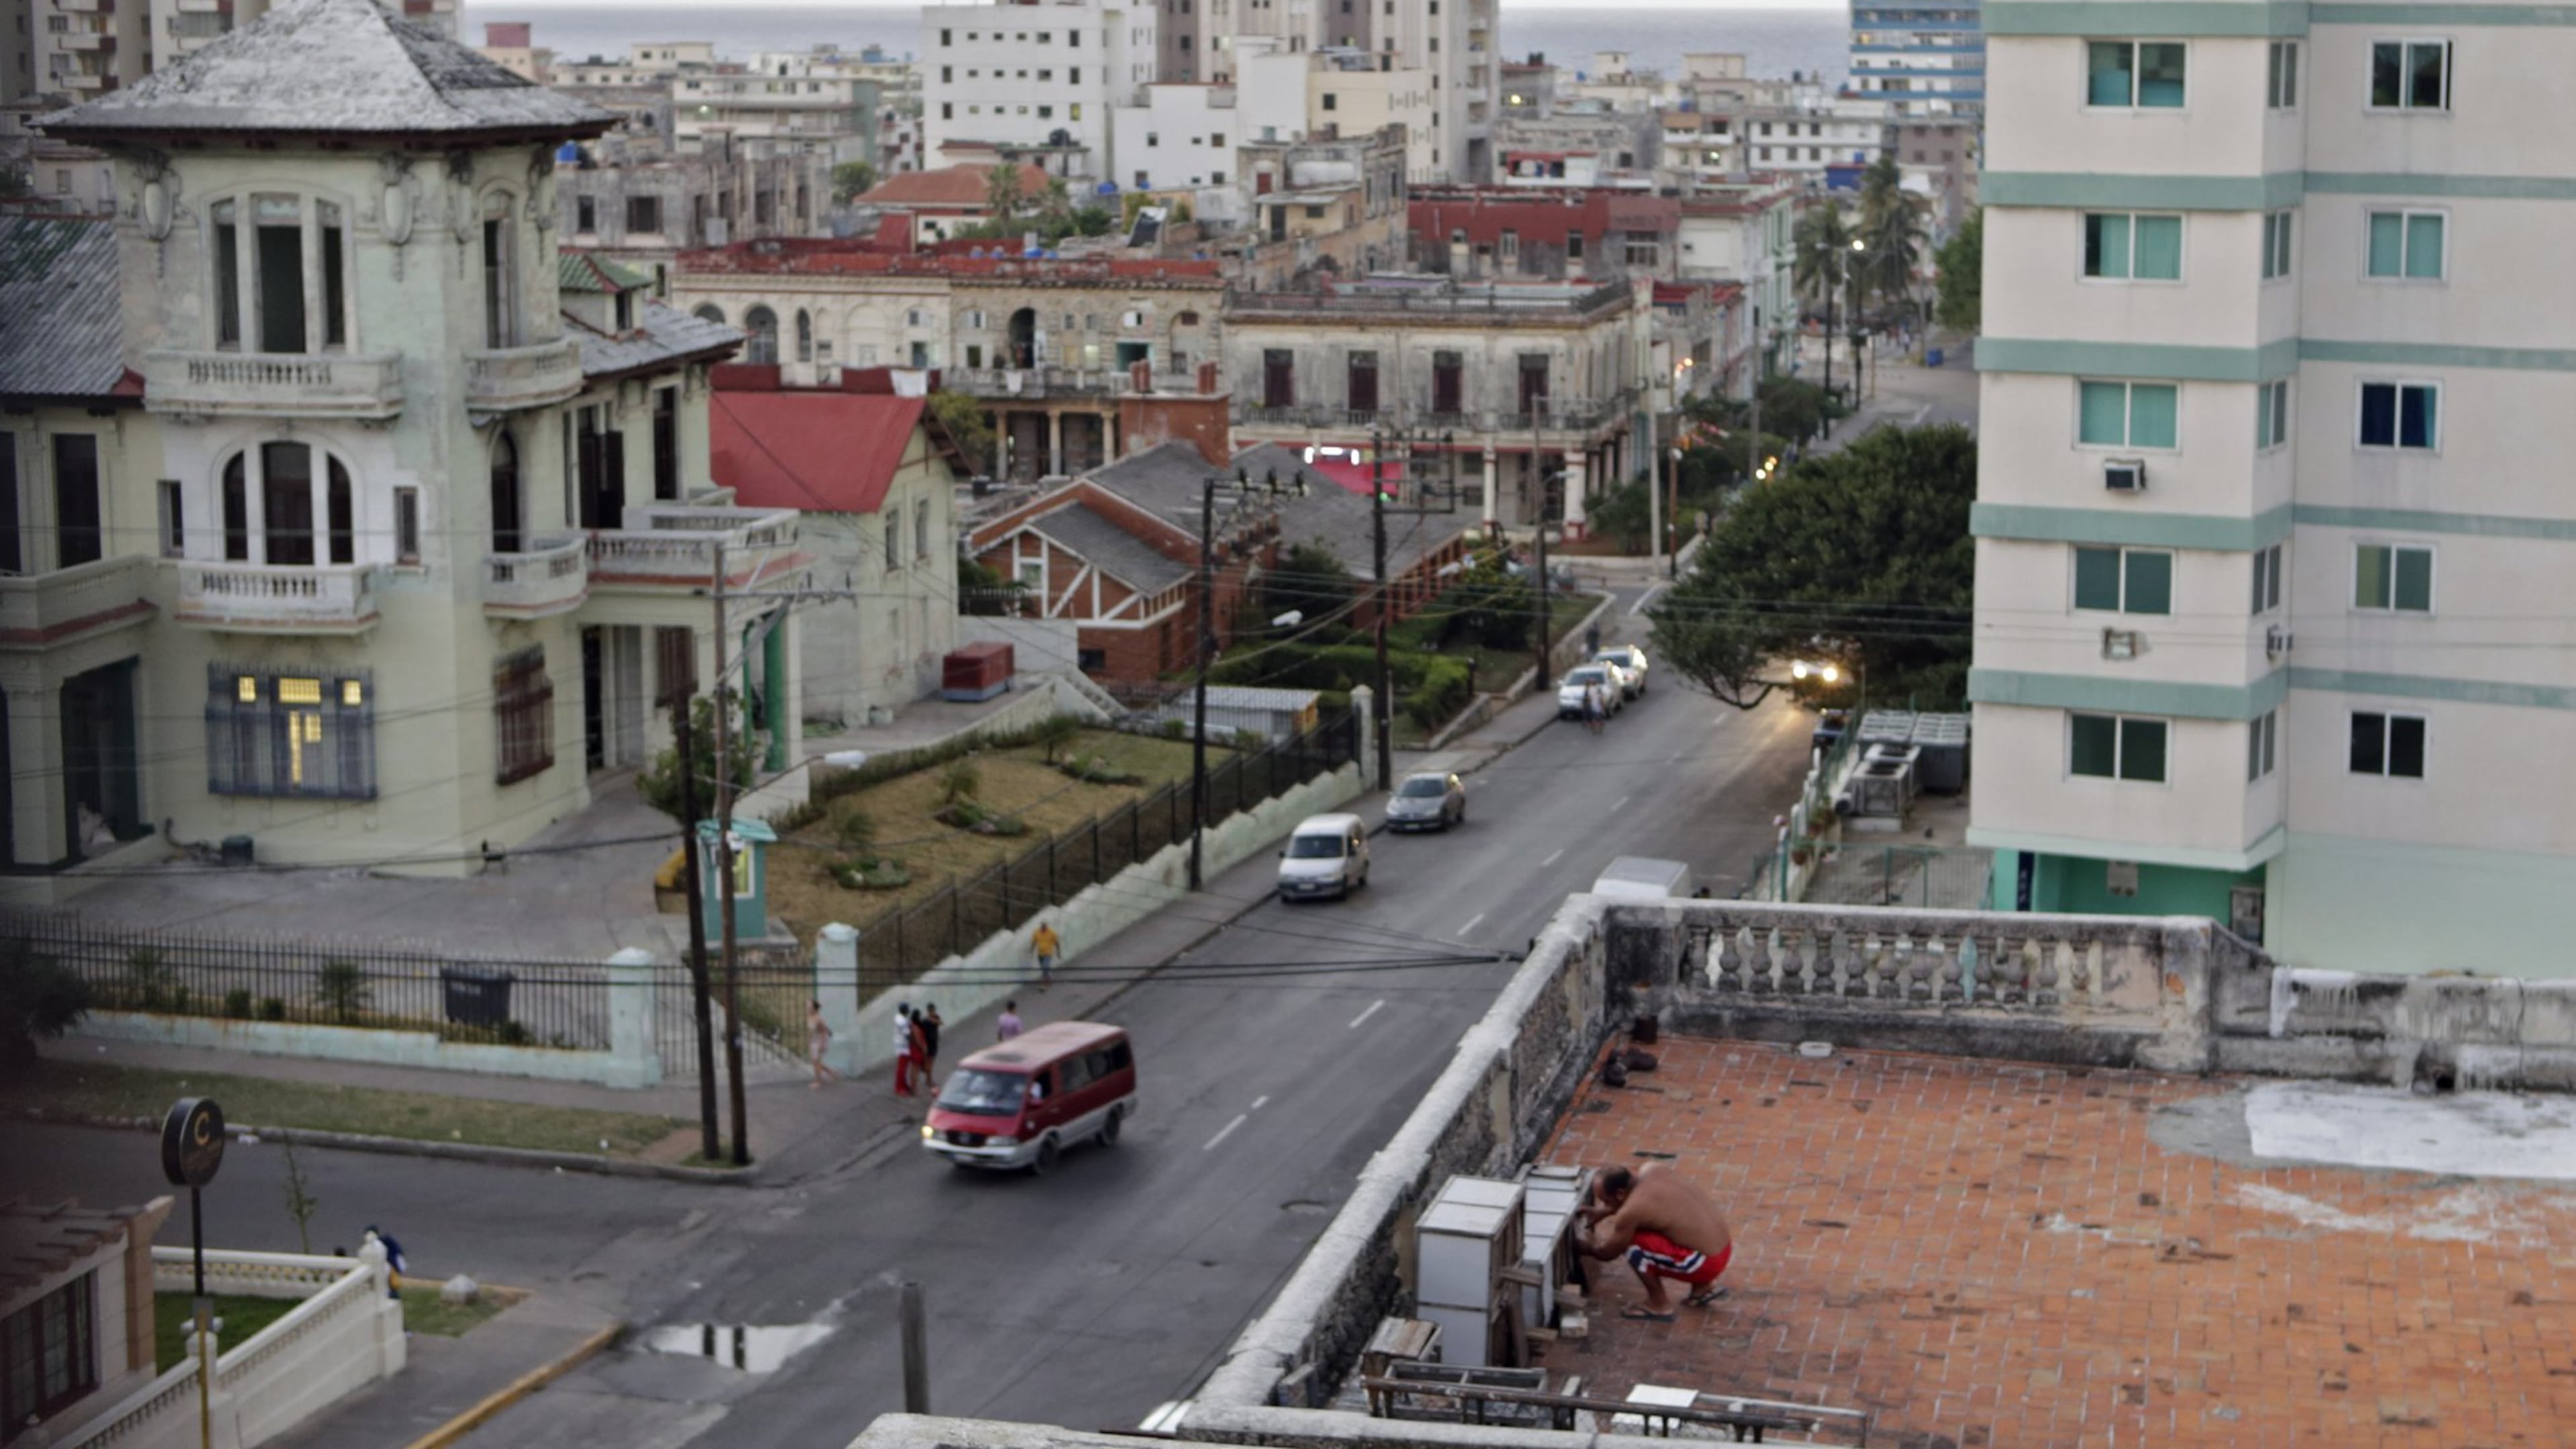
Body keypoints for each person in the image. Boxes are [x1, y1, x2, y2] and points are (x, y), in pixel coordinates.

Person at [1576, 1163, 1733, 1320]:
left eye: (1606, 1201)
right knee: (1653, 1226)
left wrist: (1587, 1248)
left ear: (1620, 1194)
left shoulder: (1631, 1212)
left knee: (1633, 1244)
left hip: (1705, 1264)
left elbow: (1608, 1253)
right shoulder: (1653, 1168)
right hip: (1723, 1248)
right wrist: (1603, 1212)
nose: (1605, 1206)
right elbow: (1641, 1202)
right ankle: (1702, 1287)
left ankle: (1659, 1304)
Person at [806, 1000, 839, 1090]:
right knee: (815, 1062)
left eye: (809, 1006)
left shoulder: (818, 1019)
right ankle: (832, 1072)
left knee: (816, 1062)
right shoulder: (810, 1017)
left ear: (814, 1008)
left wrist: (821, 1045)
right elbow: (810, 1031)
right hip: (813, 1041)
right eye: (807, 1005)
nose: (807, 1007)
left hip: (819, 1042)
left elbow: (824, 1032)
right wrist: (809, 1042)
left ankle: (818, 1082)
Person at [892, 1004, 918, 1096]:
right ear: (904, 1011)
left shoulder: (900, 1018)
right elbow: (907, 1035)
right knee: (902, 1068)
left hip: (902, 1045)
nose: (908, 1012)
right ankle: (899, 1088)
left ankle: (903, 1085)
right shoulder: (902, 1022)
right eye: (907, 1011)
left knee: (903, 1067)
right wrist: (915, 1042)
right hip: (903, 1046)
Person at [916, 1002, 945, 1087]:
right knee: (929, 1063)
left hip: (934, 1043)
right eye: (931, 1010)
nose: (933, 1012)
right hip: (929, 1044)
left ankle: (928, 1078)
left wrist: (931, 1019)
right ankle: (929, 1081)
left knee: (930, 1063)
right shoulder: (925, 1021)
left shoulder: (935, 1017)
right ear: (929, 1011)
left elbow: (941, 1023)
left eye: (933, 1010)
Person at [1032, 921, 1061, 991]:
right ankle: (1049, 977)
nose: (1043, 927)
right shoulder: (1037, 932)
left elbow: (1056, 943)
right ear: (1041, 926)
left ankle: (1043, 985)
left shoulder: (1051, 933)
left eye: (1045, 926)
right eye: (1042, 926)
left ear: (1047, 926)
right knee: (1044, 968)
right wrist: (1031, 950)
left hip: (1048, 953)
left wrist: (1058, 952)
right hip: (1040, 954)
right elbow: (1034, 941)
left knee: (1045, 967)